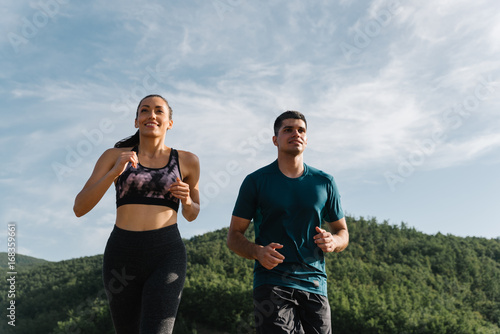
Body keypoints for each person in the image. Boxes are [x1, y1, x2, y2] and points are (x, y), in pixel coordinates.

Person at [73, 94, 200, 334]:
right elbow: (80, 207)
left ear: (170, 122)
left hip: (166, 252)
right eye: (145, 110)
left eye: (159, 111)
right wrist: (114, 171)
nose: (151, 115)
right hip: (122, 254)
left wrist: (187, 199)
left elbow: (192, 214)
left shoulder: (188, 161)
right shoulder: (114, 156)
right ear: (136, 120)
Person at [227, 111, 348, 333]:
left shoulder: (325, 182)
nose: (296, 134)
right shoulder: (256, 182)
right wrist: (257, 252)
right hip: (271, 283)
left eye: (301, 130)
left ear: (307, 139)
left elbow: (342, 232)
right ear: (275, 140)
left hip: (315, 284)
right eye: (288, 130)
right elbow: (234, 236)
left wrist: (334, 241)